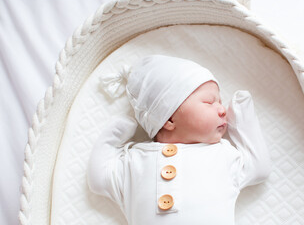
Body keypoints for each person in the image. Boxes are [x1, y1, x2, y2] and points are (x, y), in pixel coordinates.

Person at [87, 55, 271, 225]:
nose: (222, 109)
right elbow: (99, 180)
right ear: (169, 119)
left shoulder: (223, 155)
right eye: (209, 102)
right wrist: (113, 137)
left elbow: (259, 168)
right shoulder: (134, 160)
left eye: (221, 102)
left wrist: (243, 120)